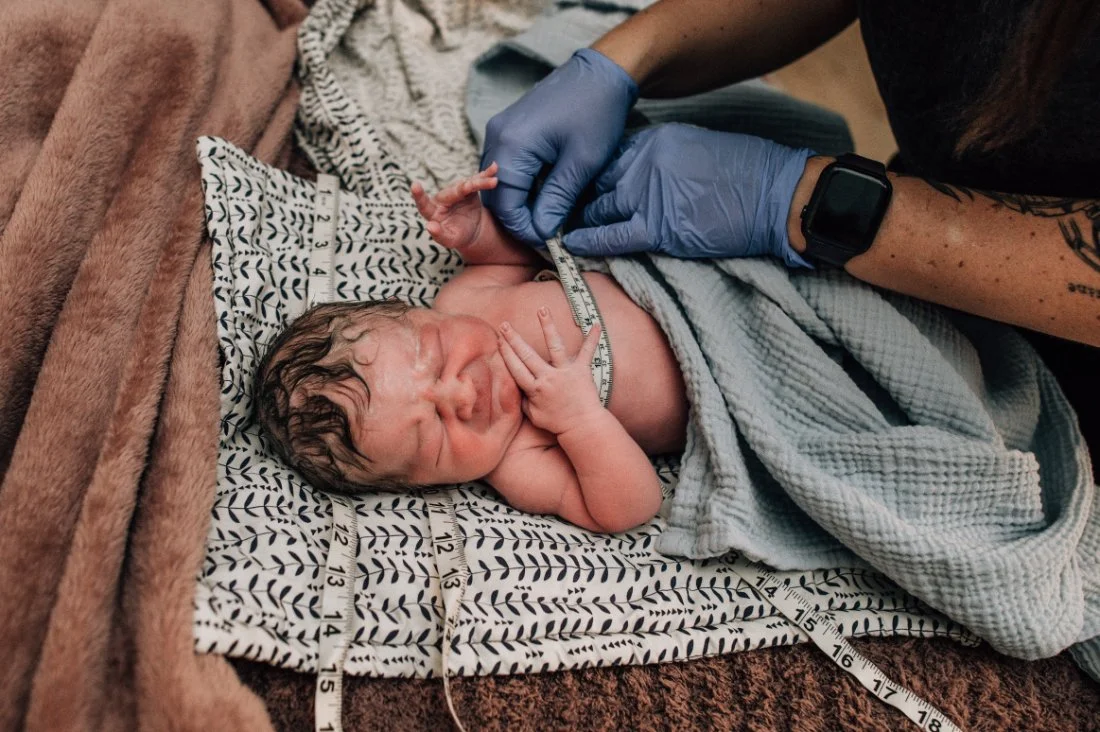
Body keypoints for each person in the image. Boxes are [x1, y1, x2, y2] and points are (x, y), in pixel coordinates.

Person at [479, 0, 1100, 447]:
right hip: (884, 255)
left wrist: (807, 200)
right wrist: (624, 59)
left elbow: (624, 505)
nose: (451, 393)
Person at [254, 166, 688, 534]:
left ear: (419, 312)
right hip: (718, 376)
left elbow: (519, 260)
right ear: (424, 482)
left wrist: (478, 234)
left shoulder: (466, 300)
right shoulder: (519, 461)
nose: (462, 397)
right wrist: (582, 420)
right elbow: (629, 507)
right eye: (434, 437)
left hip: (676, 271)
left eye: (439, 359)